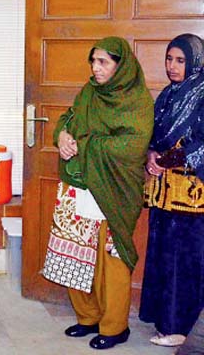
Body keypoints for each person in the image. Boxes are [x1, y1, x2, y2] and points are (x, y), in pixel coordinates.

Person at [43, 36, 154, 350]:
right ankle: (87, 317)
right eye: (93, 61)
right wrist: (63, 134)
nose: (96, 67)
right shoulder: (90, 91)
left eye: (103, 62)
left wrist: (85, 144)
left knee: (111, 259)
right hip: (80, 186)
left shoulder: (137, 99)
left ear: (121, 65)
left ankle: (115, 327)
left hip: (113, 188)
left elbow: (132, 145)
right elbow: (69, 117)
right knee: (77, 251)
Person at [140, 34, 204, 348]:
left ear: (194, 61)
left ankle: (181, 328)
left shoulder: (203, 93)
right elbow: (153, 134)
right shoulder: (167, 95)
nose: (172, 66)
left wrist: (168, 159)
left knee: (185, 261)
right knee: (162, 254)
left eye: (180, 60)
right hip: (163, 192)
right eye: (169, 59)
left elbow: (202, 143)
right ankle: (164, 321)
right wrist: (152, 155)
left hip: (192, 198)